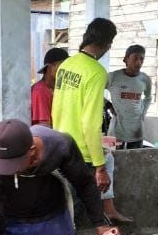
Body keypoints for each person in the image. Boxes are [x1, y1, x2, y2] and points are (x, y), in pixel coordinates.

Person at [51, 17, 130, 223]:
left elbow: (57, 106)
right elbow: (91, 122)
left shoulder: (66, 64)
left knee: (65, 201)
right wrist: (100, 167)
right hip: (80, 150)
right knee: (77, 206)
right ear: (108, 43)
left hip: (61, 142)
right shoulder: (96, 72)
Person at [106, 44, 152, 148]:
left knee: (135, 159)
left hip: (136, 130)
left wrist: (143, 113)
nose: (138, 62)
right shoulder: (113, 77)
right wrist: (107, 104)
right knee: (112, 158)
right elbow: (96, 90)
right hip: (116, 129)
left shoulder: (145, 79)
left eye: (142, 59)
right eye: (135, 58)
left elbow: (148, 98)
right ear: (126, 59)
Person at [31, 46, 68, 126]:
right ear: (50, 67)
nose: (65, 70)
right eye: (62, 66)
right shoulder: (40, 91)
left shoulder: (58, 88)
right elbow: (43, 127)